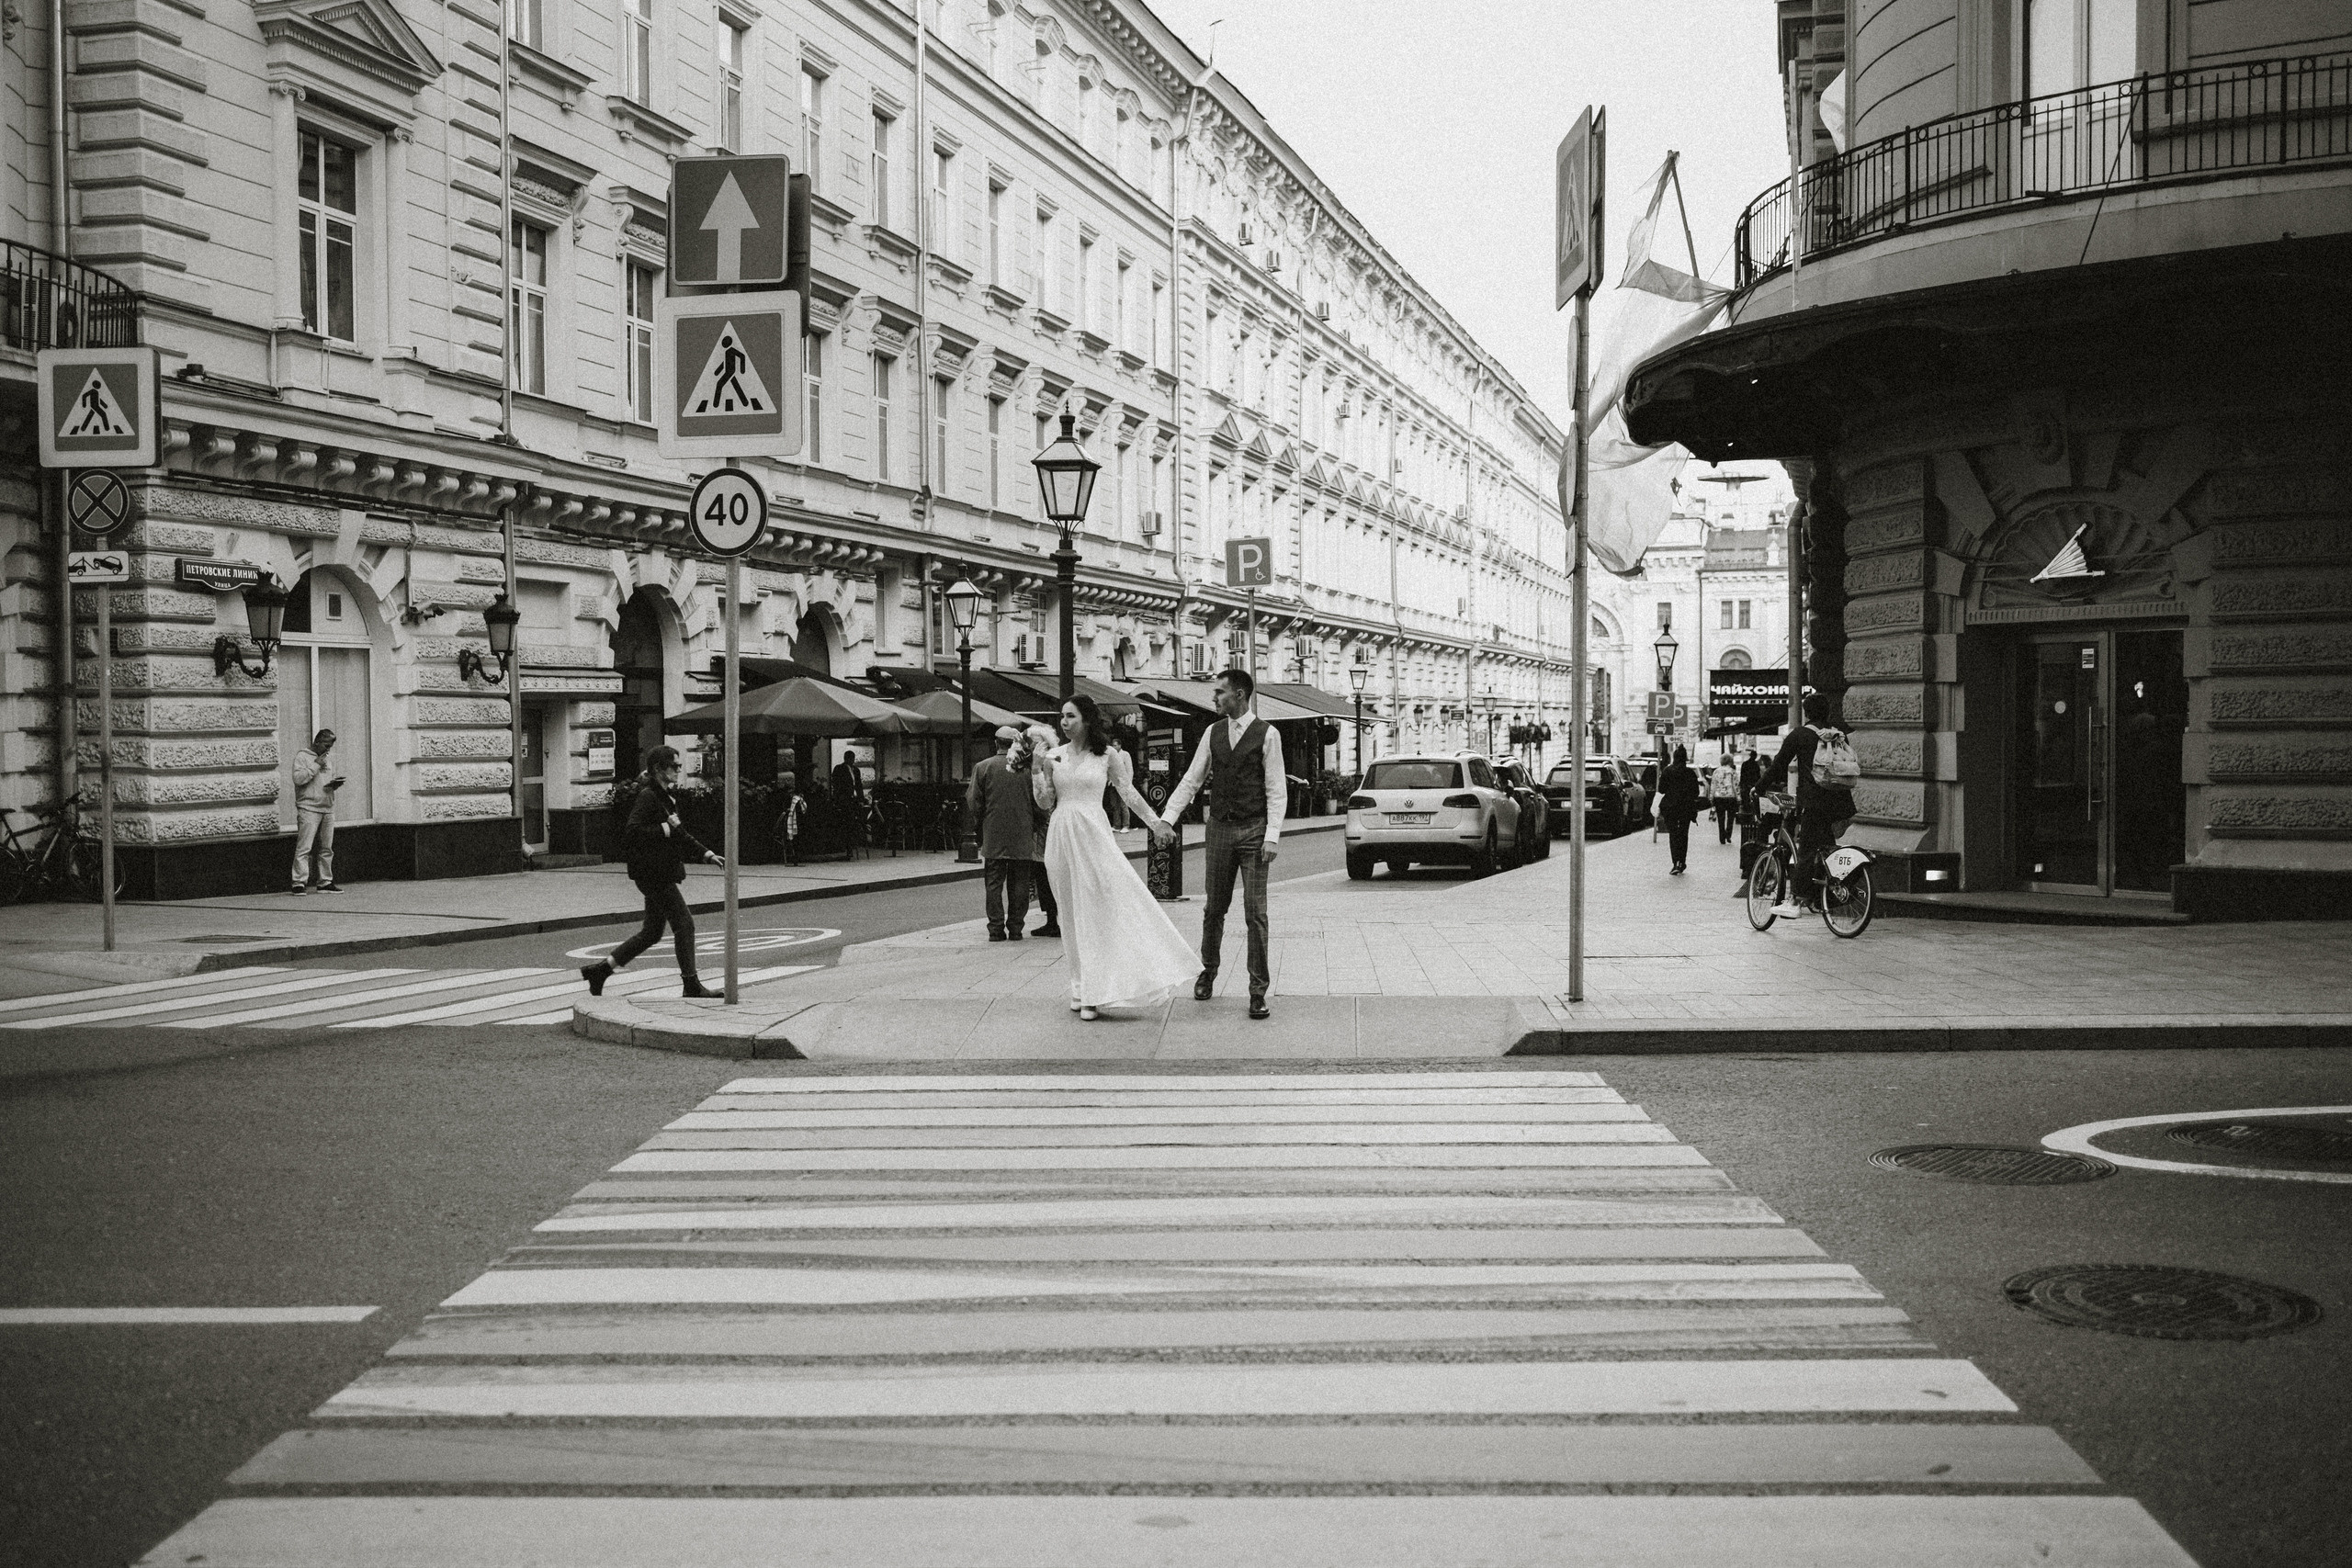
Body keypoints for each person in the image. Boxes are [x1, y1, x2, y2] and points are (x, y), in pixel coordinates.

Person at [1029, 694, 1195, 1021]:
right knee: (1070, 914)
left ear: (1087, 720)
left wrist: (1157, 823)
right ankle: (1079, 988)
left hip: (1093, 835)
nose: (1064, 723)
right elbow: (1045, 803)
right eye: (1062, 717)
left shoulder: (1108, 756)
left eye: (1071, 716)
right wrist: (1037, 770)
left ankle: (1095, 991)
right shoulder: (1053, 756)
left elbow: (1128, 793)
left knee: (1096, 911)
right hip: (1061, 836)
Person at [1159, 668, 1285, 1021]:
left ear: (1240, 695)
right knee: (1214, 908)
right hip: (1219, 830)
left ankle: (1257, 992)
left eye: (1220, 692)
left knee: (1255, 914)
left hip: (1255, 830)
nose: (1214, 698)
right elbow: (1191, 779)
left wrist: (1272, 835)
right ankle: (1208, 971)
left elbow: (1276, 789)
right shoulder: (1212, 733)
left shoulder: (1267, 734)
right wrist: (1168, 817)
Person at [580, 746, 722, 998]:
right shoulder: (649, 796)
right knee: (685, 925)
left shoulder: (665, 797)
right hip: (653, 874)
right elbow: (632, 832)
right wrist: (665, 830)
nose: (679, 770)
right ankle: (691, 984)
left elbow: (679, 833)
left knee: (652, 932)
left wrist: (706, 854)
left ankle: (601, 970)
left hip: (657, 872)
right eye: (674, 766)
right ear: (659, 768)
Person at [1763, 691, 1858, 913]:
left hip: (1814, 802)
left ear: (1806, 712)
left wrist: (1758, 786)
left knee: (1806, 849)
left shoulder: (1800, 735)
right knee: (1826, 846)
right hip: (1840, 802)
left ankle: (1795, 901)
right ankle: (1825, 896)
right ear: (1828, 712)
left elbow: (1778, 766)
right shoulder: (1838, 734)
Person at [967, 727, 1046, 941]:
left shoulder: (983, 767)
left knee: (993, 883)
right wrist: (1036, 824)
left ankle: (995, 929)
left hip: (993, 833)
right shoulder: (1028, 769)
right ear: (1015, 744)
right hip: (1022, 833)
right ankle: (1015, 928)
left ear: (996, 743)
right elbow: (1039, 802)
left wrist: (981, 823)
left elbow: (974, 801)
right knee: (1019, 882)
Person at [289, 728, 344, 894]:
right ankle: (299, 882)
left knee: (327, 847)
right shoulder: (302, 757)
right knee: (304, 846)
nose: (328, 749)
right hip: (309, 807)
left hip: (327, 807)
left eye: (331, 746)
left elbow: (326, 779)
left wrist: (334, 784)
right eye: (326, 745)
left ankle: (325, 881)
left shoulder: (327, 760)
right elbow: (298, 779)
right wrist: (315, 765)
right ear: (318, 741)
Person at [1657, 744, 1702, 875]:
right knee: (1683, 834)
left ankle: (1675, 862)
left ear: (1674, 757)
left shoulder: (1667, 771)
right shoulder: (1690, 773)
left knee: (1673, 834)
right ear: (1685, 758)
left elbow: (1661, 789)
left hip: (1670, 808)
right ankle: (1681, 862)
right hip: (1686, 808)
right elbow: (1696, 792)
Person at [772, 772, 807, 865]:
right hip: (792, 824)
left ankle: (794, 858)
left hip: (788, 823)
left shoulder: (786, 797)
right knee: (797, 838)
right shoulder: (796, 799)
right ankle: (796, 858)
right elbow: (802, 811)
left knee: (795, 838)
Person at [1710, 752, 1740, 844]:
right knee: (1731, 818)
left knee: (1721, 818)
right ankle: (1728, 834)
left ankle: (1722, 837)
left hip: (1719, 797)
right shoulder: (1732, 772)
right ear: (1730, 761)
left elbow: (1713, 785)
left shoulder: (1716, 771)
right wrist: (1738, 797)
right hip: (1731, 797)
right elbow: (1736, 785)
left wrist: (1711, 797)